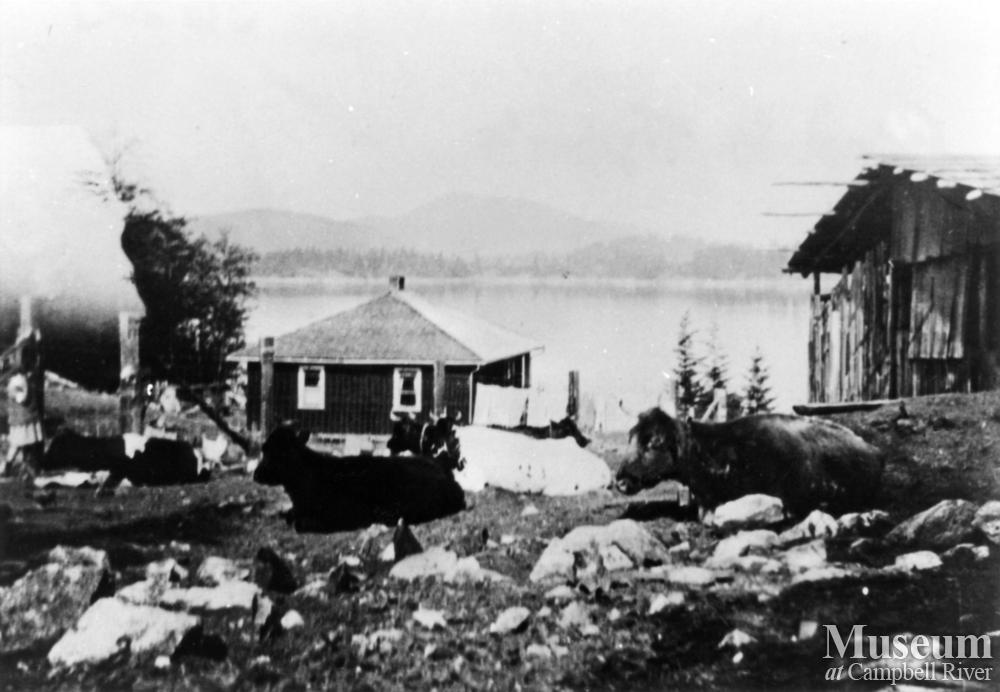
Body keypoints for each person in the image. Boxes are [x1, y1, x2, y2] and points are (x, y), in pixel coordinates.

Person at [4, 369, 43, 480]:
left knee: (17, 443)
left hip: (21, 419)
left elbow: (21, 398)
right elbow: (22, 398)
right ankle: (27, 469)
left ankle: (11, 467)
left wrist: (13, 393)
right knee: (27, 443)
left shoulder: (17, 382)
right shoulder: (23, 381)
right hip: (26, 419)